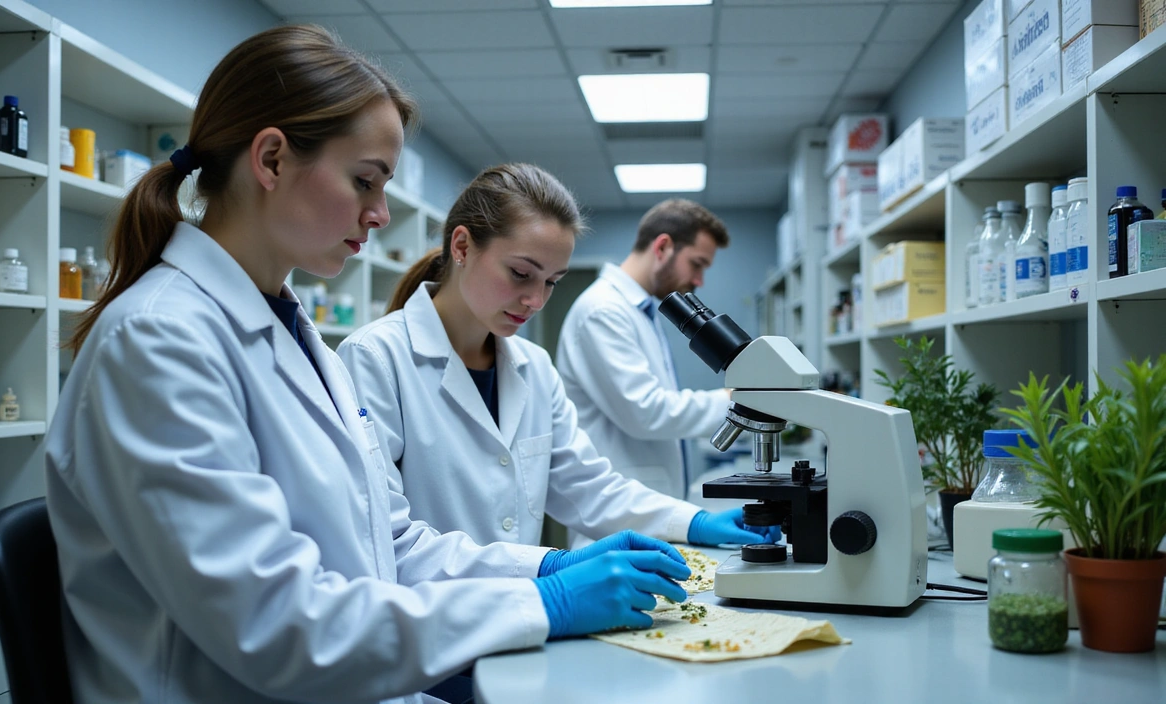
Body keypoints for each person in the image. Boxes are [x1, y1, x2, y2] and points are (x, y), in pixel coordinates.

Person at [45, 26, 690, 704]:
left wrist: (550, 567)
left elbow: (394, 545)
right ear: (270, 160)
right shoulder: (159, 340)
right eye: (364, 181)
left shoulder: (297, 341)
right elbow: (278, 626)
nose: (380, 213)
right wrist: (544, 604)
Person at [337, 164, 778, 555]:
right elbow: (385, 536)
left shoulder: (533, 366)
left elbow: (586, 487)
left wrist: (695, 522)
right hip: (431, 629)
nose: (535, 300)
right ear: (462, 246)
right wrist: (547, 570)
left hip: (523, 621)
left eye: (552, 281)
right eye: (520, 274)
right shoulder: (375, 359)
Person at [556, 199, 734, 526]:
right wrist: (732, 400)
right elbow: (646, 412)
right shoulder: (603, 311)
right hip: (617, 514)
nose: (699, 281)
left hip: (647, 506)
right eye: (697, 264)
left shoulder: (640, 310)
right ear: (663, 247)